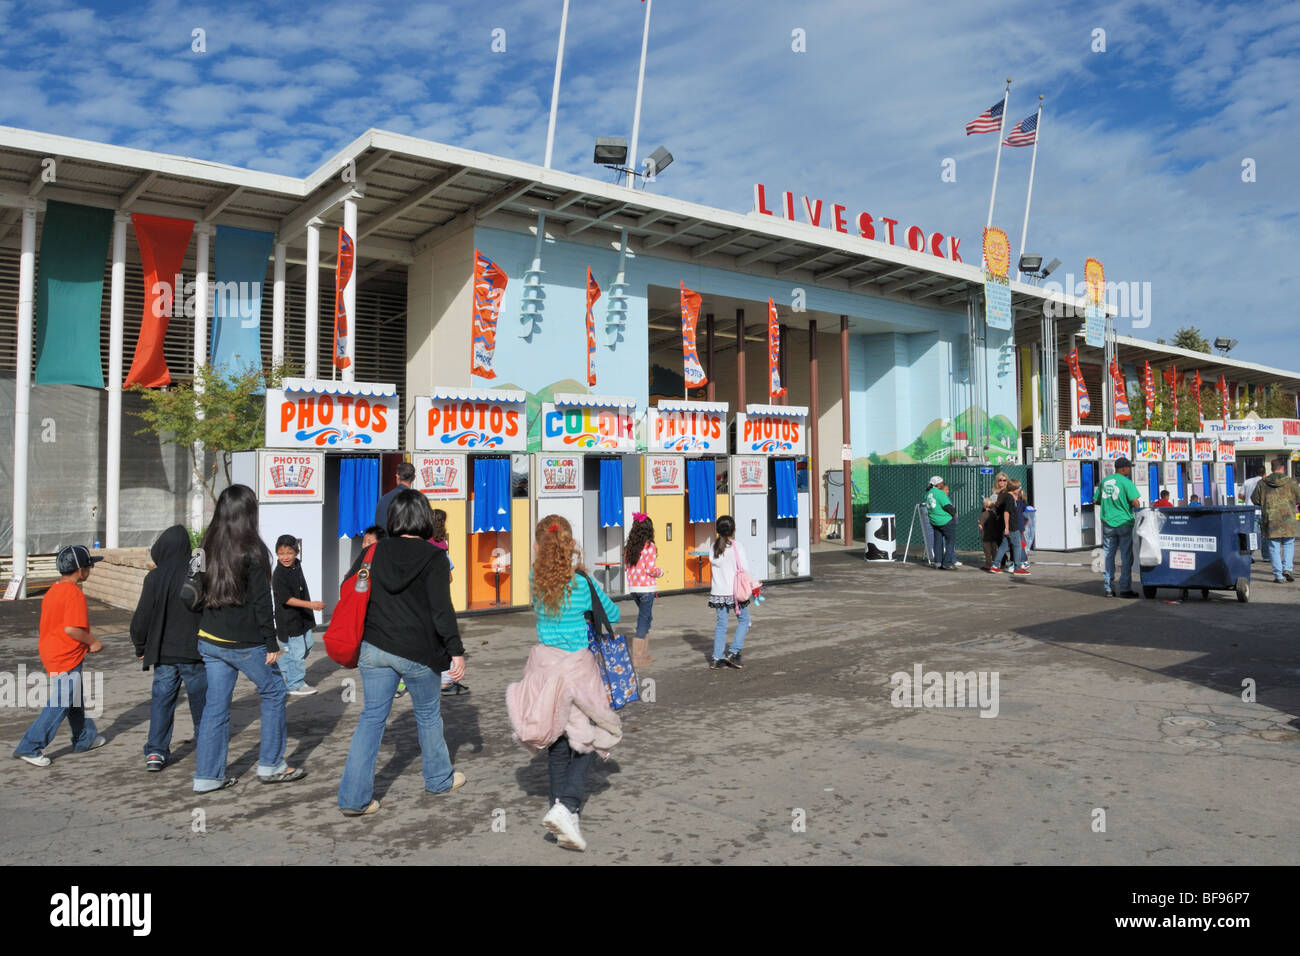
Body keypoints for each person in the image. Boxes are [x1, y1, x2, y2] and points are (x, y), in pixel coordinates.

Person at [337, 489, 466, 817]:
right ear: (423, 518)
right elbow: (442, 610)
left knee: (371, 719)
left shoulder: (374, 552)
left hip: (375, 648)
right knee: (427, 716)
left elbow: (349, 587)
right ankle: (438, 779)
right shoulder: (434, 556)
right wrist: (456, 650)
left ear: (393, 518)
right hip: (419, 653)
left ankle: (354, 798)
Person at [506, 515, 622, 852]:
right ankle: (567, 806)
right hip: (578, 673)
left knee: (557, 747)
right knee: (593, 738)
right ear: (571, 545)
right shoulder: (583, 583)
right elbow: (612, 615)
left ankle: (563, 819)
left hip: (544, 671)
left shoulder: (534, 579)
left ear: (537, 547)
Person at [193, 484, 304, 792]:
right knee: (274, 692)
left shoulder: (203, 545)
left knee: (215, 706)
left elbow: (191, 587)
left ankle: (207, 776)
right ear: (248, 514)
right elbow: (261, 602)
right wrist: (271, 643)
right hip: (244, 642)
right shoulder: (253, 549)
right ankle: (271, 764)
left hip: (210, 638)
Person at [13, 545, 107, 767]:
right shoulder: (74, 593)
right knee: (62, 701)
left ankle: (85, 738)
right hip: (66, 655)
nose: (90, 570)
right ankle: (30, 746)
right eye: (89, 566)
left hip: (52, 651)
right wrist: (93, 642)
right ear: (80, 570)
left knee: (74, 699)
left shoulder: (53, 590)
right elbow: (72, 629)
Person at [131, 526, 206, 772]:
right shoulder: (196, 573)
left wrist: (140, 645)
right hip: (195, 652)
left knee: (162, 702)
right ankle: (206, 744)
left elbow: (142, 617)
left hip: (163, 653)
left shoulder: (154, 577)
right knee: (200, 701)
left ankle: (155, 751)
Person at [272, 535, 324, 697]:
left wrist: (308, 610)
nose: (285, 557)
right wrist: (311, 605)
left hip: (303, 619)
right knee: (297, 653)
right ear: (276, 554)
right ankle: (295, 684)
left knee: (307, 646)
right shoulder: (279, 574)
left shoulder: (297, 565)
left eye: (289, 553)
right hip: (288, 621)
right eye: (281, 553)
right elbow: (286, 599)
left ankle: (281, 671)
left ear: (297, 552)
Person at [430, 507, 468, 697]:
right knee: (445, 634)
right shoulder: (441, 543)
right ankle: (446, 680)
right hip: (441, 594)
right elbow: (449, 574)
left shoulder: (423, 542)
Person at [709, 514, 752, 668]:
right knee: (744, 620)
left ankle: (717, 658)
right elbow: (745, 568)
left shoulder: (713, 547)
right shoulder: (737, 546)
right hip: (736, 592)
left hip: (718, 593)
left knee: (721, 624)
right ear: (733, 530)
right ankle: (734, 652)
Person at [1096, 457, 1142, 598]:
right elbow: (1135, 503)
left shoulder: (1104, 482)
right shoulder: (1127, 483)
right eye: (1129, 467)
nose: (1130, 470)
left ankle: (1109, 588)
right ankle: (1125, 589)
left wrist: (1109, 507)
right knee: (1126, 557)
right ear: (1123, 468)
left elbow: (1095, 500)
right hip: (1124, 523)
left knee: (1109, 556)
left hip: (1108, 524)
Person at [623, 512, 663, 669]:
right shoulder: (650, 546)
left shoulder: (629, 548)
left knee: (647, 618)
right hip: (646, 588)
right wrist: (660, 573)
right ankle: (638, 657)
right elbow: (650, 569)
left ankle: (644, 654)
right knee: (643, 620)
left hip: (634, 588)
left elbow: (628, 568)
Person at [1251, 457, 1300, 584]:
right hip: (1288, 519)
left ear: (1271, 469)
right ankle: (1288, 569)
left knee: (1274, 546)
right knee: (1289, 544)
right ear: (1283, 468)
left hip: (1270, 519)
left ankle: (1278, 575)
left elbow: (1255, 499)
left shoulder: (1262, 483)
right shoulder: (1291, 482)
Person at [992, 479, 1029, 575]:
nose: (1020, 489)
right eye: (1018, 487)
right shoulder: (1009, 498)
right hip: (1012, 527)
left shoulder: (1011, 497)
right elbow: (1006, 513)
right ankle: (1017, 568)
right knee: (1017, 546)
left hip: (1011, 526)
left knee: (1004, 546)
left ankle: (995, 566)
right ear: (1014, 488)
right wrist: (1007, 527)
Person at [925, 476, 958, 570]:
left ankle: (938, 563)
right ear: (938, 484)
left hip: (934, 522)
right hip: (945, 521)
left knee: (938, 542)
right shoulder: (940, 493)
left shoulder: (928, 493)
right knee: (950, 542)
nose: (943, 484)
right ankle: (947, 563)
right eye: (942, 482)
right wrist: (953, 514)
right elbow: (948, 506)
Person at [375, 461, 415, 529]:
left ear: (397, 476)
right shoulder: (418, 500)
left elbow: (379, 525)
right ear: (414, 478)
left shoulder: (384, 499)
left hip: (387, 538)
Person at [977, 496, 1001, 571]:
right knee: (994, 550)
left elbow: (980, 526)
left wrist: (980, 530)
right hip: (994, 536)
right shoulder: (994, 514)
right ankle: (996, 564)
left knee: (987, 551)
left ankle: (988, 564)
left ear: (985, 505)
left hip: (986, 536)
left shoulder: (983, 514)